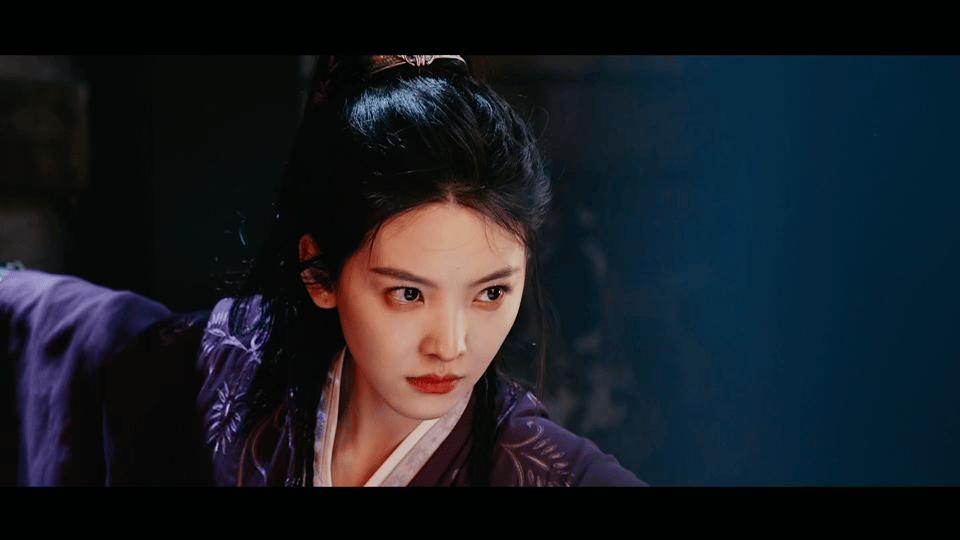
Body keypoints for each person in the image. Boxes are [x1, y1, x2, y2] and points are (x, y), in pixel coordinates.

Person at [0, 55, 646, 486]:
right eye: (408, 293)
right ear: (319, 273)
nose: (452, 345)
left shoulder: (551, 473)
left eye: (492, 292)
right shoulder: (233, 372)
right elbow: (78, 336)